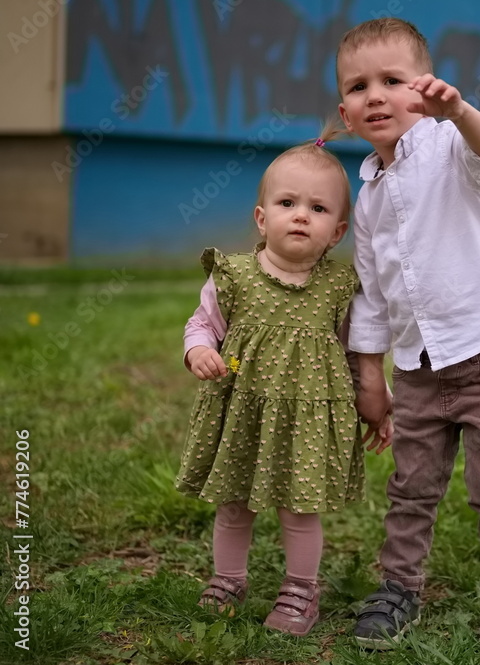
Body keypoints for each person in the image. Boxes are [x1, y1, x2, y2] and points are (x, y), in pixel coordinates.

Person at [336, 18, 480, 650]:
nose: (375, 95)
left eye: (392, 81)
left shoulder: (453, 146)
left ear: (422, 90)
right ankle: (399, 588)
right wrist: (369, 377)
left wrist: (460, 110)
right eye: (358, 86)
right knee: (411, 486)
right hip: (417, 369)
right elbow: (369, 296)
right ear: (343, 112)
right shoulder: (366, 200)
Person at [174, 123, 392, 637]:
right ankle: (228, 578)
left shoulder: (341, 286)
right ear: (261, 217)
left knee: (301, 508)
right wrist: (199, 349)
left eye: (318, 209)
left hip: (309, 418)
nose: (301, 215)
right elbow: (202, 321)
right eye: (288, 203)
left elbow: (358, 350)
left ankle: (300, 589)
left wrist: (378, 403)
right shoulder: (234, 274)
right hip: (243, 410)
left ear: (338, 231)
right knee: (233, 503)